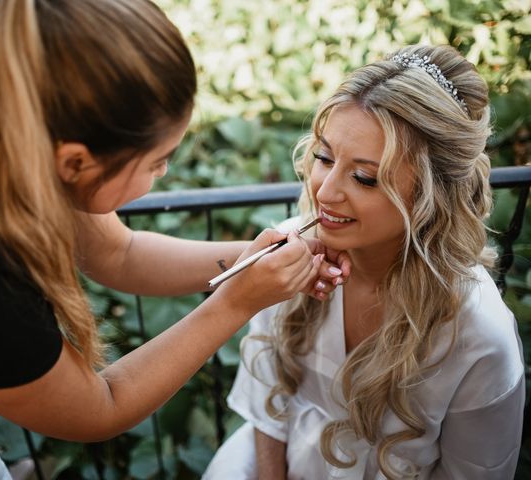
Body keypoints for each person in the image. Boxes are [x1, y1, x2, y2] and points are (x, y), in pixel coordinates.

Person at [0, 0, 350, 477]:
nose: (165, 170)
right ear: (75, 163)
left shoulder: (5, 126)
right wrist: (236, 303)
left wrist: (257, 256)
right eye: (157, 161)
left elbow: (119, 253)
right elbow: (100, 407)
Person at [203, 44, 525, 479]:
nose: (325, 191)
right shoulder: (289, 255)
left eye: (364, 177)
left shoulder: (479, 335)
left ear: (432, 195)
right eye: (323, 157)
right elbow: (268, 412)